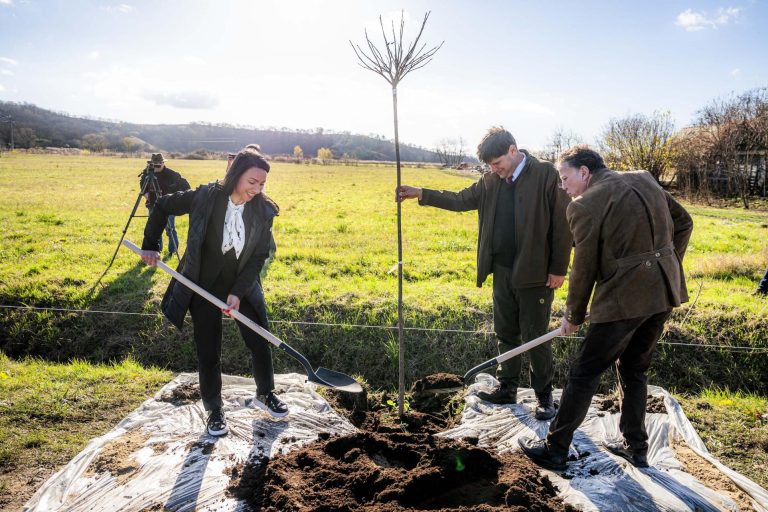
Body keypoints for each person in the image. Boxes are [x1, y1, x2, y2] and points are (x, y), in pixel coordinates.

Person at [519, 146, 693, 471]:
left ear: (584, 172)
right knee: (634, 368)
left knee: (584, 371)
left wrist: (573, 314)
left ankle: (555, 449)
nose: (563, 185)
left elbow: (582, 268)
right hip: (664, 293)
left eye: (565, 177)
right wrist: (667, 267)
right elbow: (684, 223)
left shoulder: (583, 205)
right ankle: (636, 447)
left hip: (625, 300)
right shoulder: (644, 177)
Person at [397, 126, 573, 420]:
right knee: (506, 332)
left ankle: (545, 398)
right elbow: (461, 200)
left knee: (535, 336)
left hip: (536, 273)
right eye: (490, 166)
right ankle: (507, 388)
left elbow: (563, 224)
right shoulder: (491, 180)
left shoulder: (545, 175)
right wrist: (421, 194)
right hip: (502, 270)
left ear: (513, 151)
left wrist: (558, 268)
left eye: (498, 163)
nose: (495, 169)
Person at [139, 147, 288, 437]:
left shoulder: (263, 210)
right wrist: (151, 244)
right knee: (209, 350)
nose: (257, 189)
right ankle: (214, 410)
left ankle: (265, 393)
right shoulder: (205, 196)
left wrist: (237, 292)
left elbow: (259, 257)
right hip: (202, 285)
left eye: (262, 184)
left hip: (242, 284)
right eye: (252, 182)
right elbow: (161, 206)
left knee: (260, 339)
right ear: (235, 176)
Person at [140, 153, 191, 257]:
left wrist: (176, 199)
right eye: (155, 164)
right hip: (153, 205)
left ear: (163, 163)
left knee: (170, 229)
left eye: (159, 164)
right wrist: (147, 196)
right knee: (155, 228)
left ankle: (172, 251)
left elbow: (186, 187)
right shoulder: (147, 174)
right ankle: (157, 250)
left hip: (169, 206)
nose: (157, 166)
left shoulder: (172, 174)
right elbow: (142, 187)